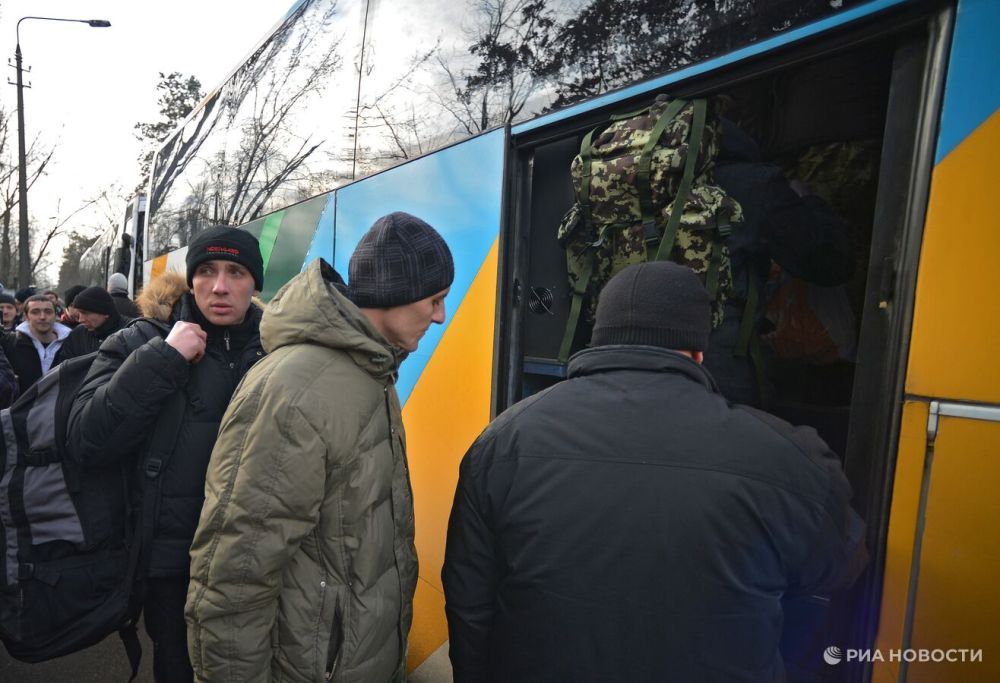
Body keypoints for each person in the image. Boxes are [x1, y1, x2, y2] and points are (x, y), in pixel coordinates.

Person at [442, 261, 867, 682]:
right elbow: (841, 566)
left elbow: (470, 605)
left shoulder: (503, 441)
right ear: (698, 351)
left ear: (600, 337)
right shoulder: (786, 456)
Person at [186, 212, 454, 683]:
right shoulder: (297, 390)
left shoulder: (370, 371)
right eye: (434, 299)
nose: (440, 316)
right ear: (394, 293)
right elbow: (235, 576)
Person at [68, 226, 266, 683]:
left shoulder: (278, 348)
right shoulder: (142, 339)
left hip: (257, 558)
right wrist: (165, 358)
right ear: (191, 280)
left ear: (254, 283)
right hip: (173, 565)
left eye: (235, 272)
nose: (219, 286)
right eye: (206, 271)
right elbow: (86, 439)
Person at [706, 119, 854, 406]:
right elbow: (829, 261)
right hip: (723, 374)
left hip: (638, 369)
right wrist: (808, 201)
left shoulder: (639, 185)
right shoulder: (753, 185)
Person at [2, 293, 71, 393]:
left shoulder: (71, 343)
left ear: (55, 315)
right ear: (26, 316)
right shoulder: (10, 343)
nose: (42, 317)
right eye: (35, 312)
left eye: (48, 312)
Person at [54, 286, 128, 364]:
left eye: (85, 313)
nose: (80, 319)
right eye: (79, 313)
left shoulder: (129, 333)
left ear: (105, 312)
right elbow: (64, 367)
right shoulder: (77, 335)